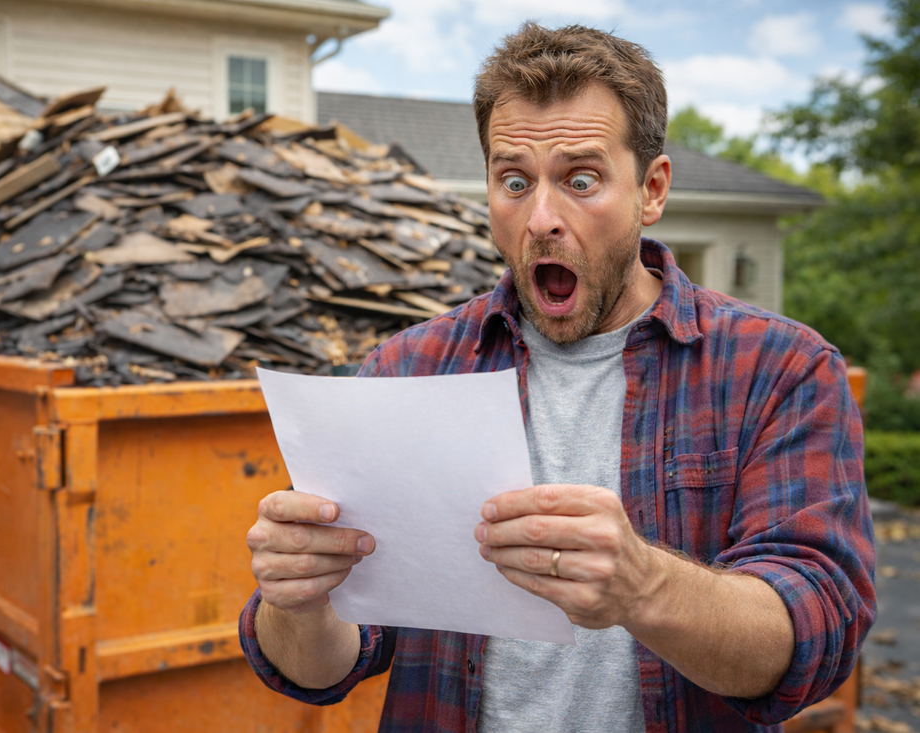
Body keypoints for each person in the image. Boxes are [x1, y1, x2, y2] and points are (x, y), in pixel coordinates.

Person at [239, 23, 876, 733]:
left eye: (581, 179)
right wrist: (295, 602)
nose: (541, 218)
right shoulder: (406, 371)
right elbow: (322, 667)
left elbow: (817, 633)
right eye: (514, 181)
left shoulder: (778, 370)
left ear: (652, 189)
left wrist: (644, 584)